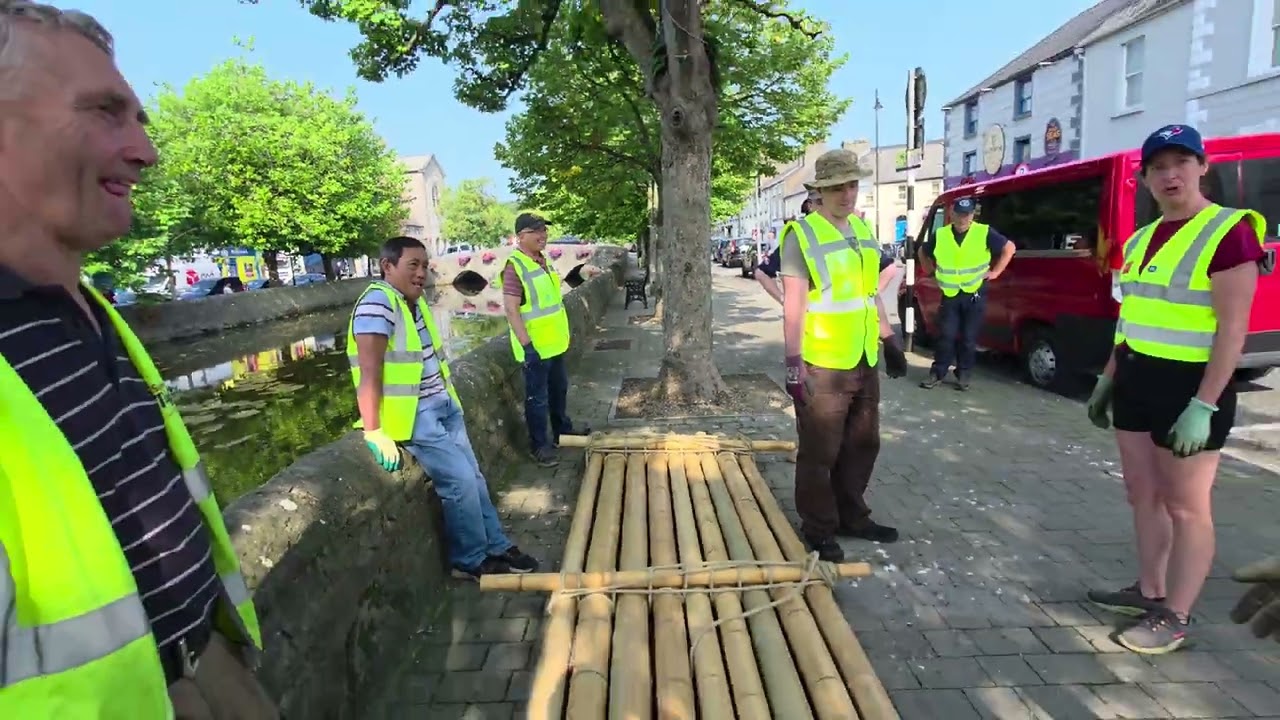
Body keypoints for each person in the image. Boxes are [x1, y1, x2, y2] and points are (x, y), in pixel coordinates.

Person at [0, 4, 275, 716]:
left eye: (140, 118)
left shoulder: (92, 308)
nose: (145, 150)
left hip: (204, 662)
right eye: (104, 111)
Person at [1084, 124, 1265, 654]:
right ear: (1143, 178)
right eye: (1158, 167)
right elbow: (1131, 319)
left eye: (1181, 162)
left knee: (1187, 507)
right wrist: (1106, 380)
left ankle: (1176, 615)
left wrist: (1204, 405)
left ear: (1202, 166)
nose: (1170, 175)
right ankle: (1149, 589)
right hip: (1137, 378)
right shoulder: (1140, 240)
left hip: (1190, 387)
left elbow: (1233, 331)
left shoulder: (1229, 231)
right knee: (1143, 495)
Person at [350, 236, 539, 580]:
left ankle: (495, 545)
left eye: (425, 265)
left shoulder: (410, 300)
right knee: (461, 483)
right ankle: (468, 560)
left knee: (475, 479)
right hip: (415, 414)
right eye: (413, 265)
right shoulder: (377, 303)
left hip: (443, 403)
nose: (422, 272)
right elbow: (369, 372)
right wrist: (373, 429)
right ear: (387, 266)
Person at [779, 149, 911, 561]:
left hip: (862, 358)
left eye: (852, 185)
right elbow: (794, 304)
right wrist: (793, 363)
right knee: (820, 452)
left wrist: (889, 339)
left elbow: (868, 292)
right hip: (823, 363)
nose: (847, 194)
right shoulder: (802, 235)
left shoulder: (861, 229)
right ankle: (819, 527)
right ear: (819, 191)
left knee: (863, 444)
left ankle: (852, 516)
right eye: (837, 187)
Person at [502, 212, 589, 468]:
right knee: (537, 399)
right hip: (535, 348)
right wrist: (527, 345)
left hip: (554, 344)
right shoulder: (514, 266)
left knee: (558, 389)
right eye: (536, 230)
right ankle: (540, 445)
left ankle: (562, 432)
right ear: (521, 237)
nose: (543, 235)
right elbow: (510, 309)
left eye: (544, 230)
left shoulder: (543, 260)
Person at [917, 196, 1017, 390]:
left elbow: (1009, 248)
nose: (963, 218)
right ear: (951, 213)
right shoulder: (942, 234)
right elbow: (923, 251)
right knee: (946, 336)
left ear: (972, 215)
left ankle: (963, 374)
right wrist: (930, 271)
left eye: (967, 214)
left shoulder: (983, 232)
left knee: (969, 338)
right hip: (950, 293)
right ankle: (937, 373)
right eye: (959, 214)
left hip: (974, 293)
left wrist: (996, 272)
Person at [756, 190, 899, 306]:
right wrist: (784, 300)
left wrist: (869, 298)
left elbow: (889, 269)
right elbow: (762, 273)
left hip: (858, 328)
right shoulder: (801, 238)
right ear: (810, 206)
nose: (824, 207)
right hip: (817, 330)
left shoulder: (853, 233)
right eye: (819, 202)